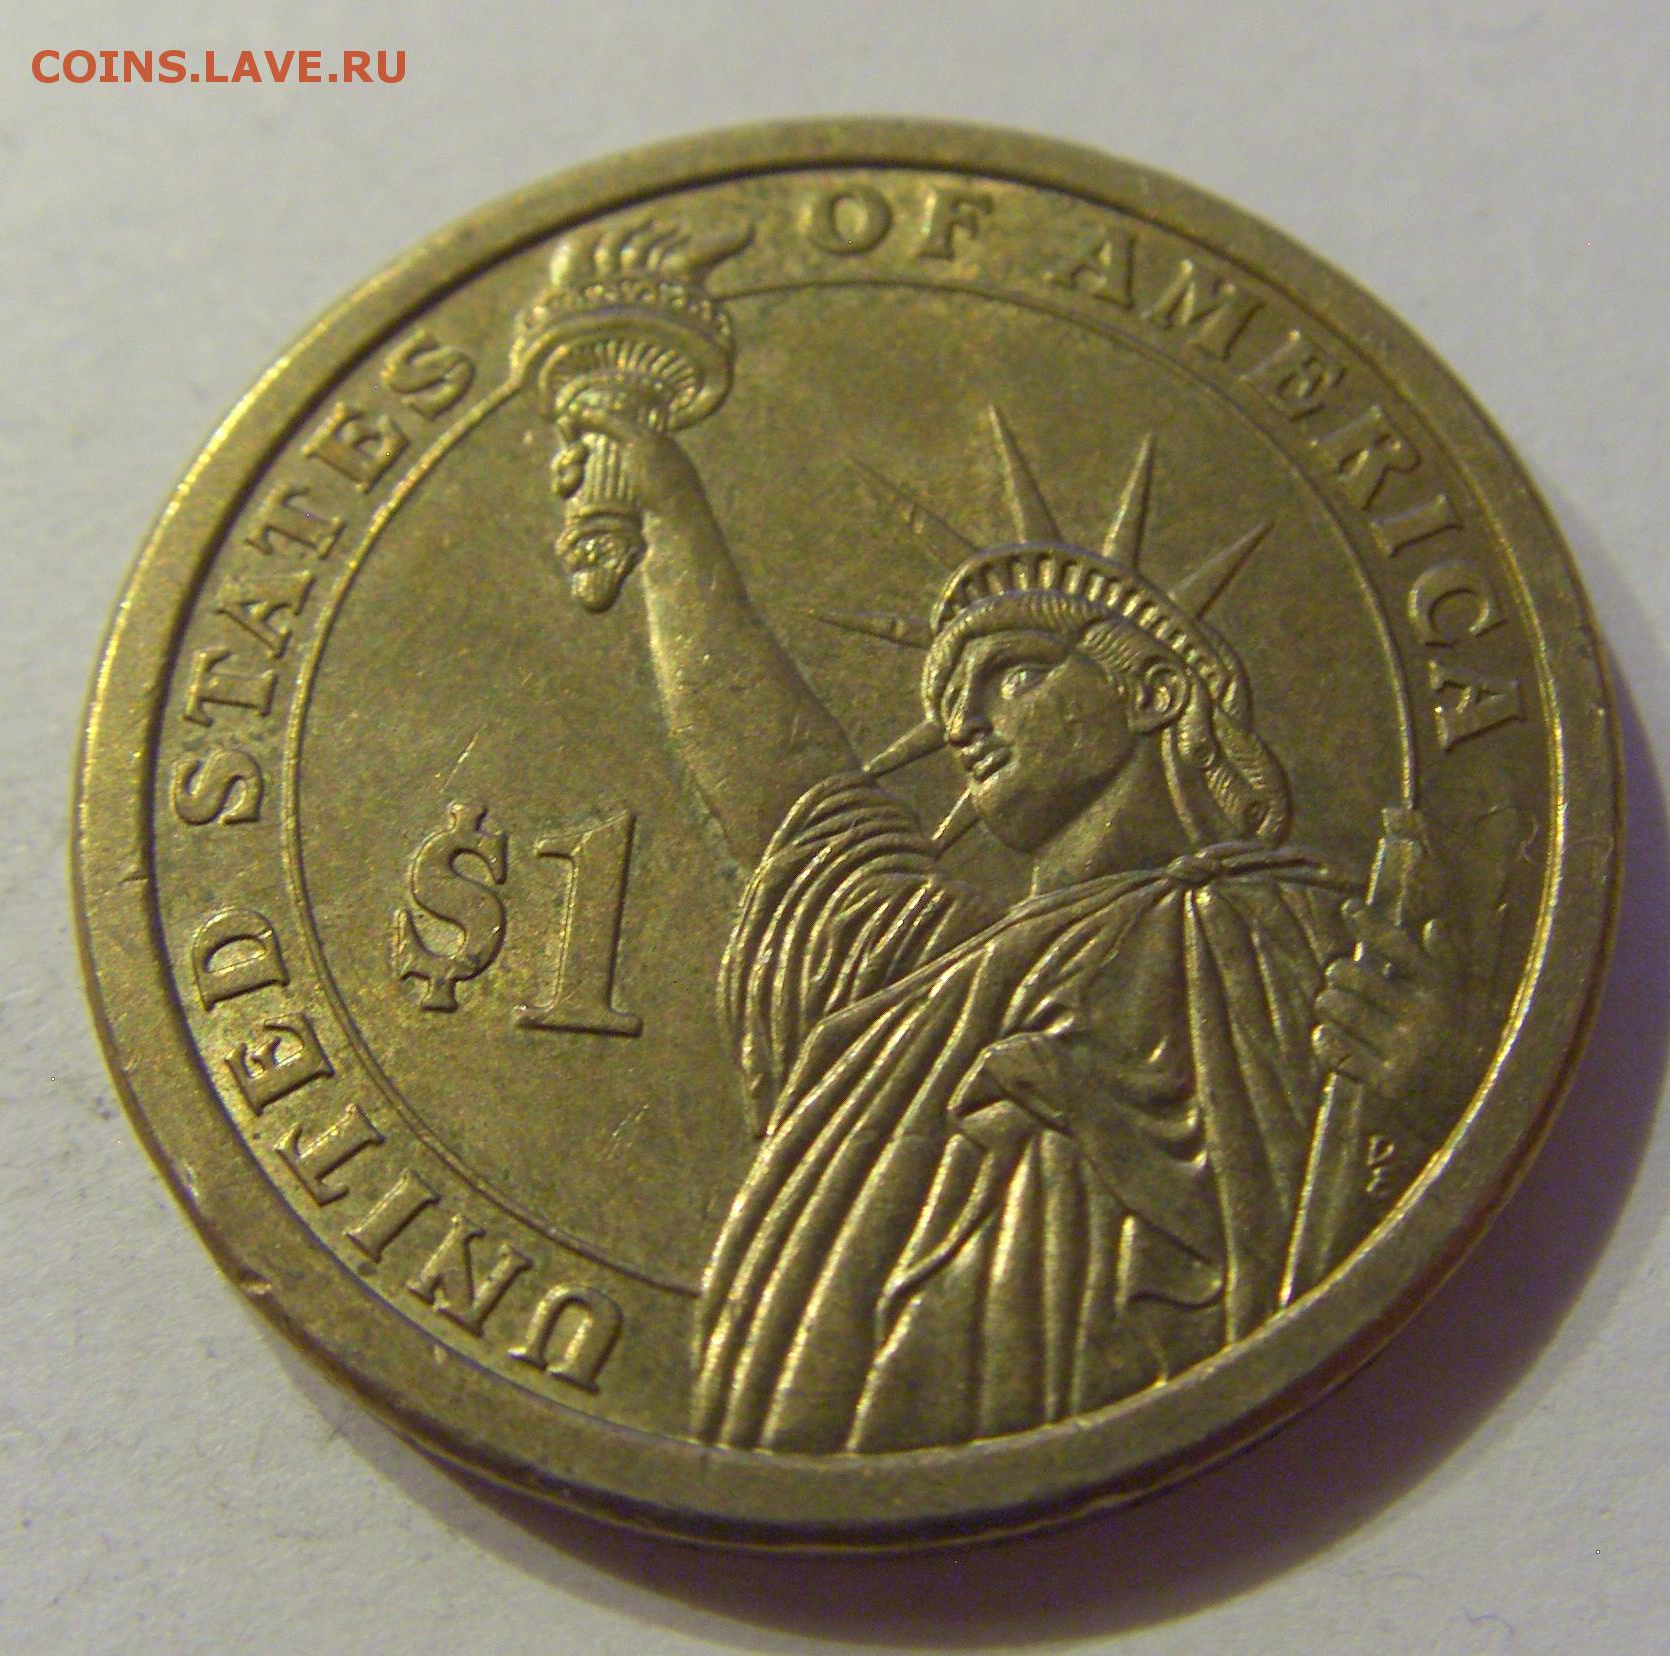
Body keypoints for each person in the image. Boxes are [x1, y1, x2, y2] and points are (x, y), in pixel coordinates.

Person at [560, 404, 1452, 1453]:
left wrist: (1422, 1082)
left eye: (1014, 675)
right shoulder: (935, 965)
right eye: (950, 703)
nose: (965, 725)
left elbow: (1332, 1204)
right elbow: (779, 779)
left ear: (1153, 692)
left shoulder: (1281, 932)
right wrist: (672, 521)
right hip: (857, 1445)